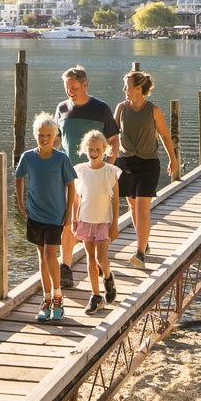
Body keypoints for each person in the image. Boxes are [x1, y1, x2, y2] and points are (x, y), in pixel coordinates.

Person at [53, 65, 117, 290]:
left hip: (95, 177)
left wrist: (107, 170)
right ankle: (66, 267)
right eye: (66, 87)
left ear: (85, 85)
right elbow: (57, 139)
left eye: (73, 87)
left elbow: (113, 141)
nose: (69, 90)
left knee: (96, 221)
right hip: (68, 175)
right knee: (69, 221)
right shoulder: (61, 109)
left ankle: (101, 264)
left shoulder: (101, 109)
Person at [14, 112, 77, 323]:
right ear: (35, 135)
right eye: (41, 134)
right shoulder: (28, 157)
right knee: (42, 258)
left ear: (55, 136)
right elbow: (19, 177)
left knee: (51, 255)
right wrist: (21, 203)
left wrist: (69, 213)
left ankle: (58, 298)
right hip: (35, 214)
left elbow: (71, 186)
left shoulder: (62, 159)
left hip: (55, 216)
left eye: (48, 135)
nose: (44, 138)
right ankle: (46, 298)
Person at [114, 70, 178, 265]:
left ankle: (140, 252)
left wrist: (172, 159)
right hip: (125, 163)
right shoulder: (121, 108)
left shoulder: (153, 110)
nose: (124, 89)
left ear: (139, 88)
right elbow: (112, 135)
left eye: (127, 86)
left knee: (142, 206)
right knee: (132, 206)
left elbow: (165, 136)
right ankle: (144, 241)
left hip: (148, 163)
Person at [71, 129, 121, 315]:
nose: (93, 152)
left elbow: (115, 200)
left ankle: (108, 277)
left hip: (104, 222)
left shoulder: (110, 172)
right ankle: (96, 296)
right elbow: (77, 197)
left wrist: (115, 224)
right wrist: (74, 219)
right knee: (90, 259)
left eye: (97, 149)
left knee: (101, 258)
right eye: (90, 149)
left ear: (104, 149)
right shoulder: (81, 170)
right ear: (85, 149)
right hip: (85, 219)